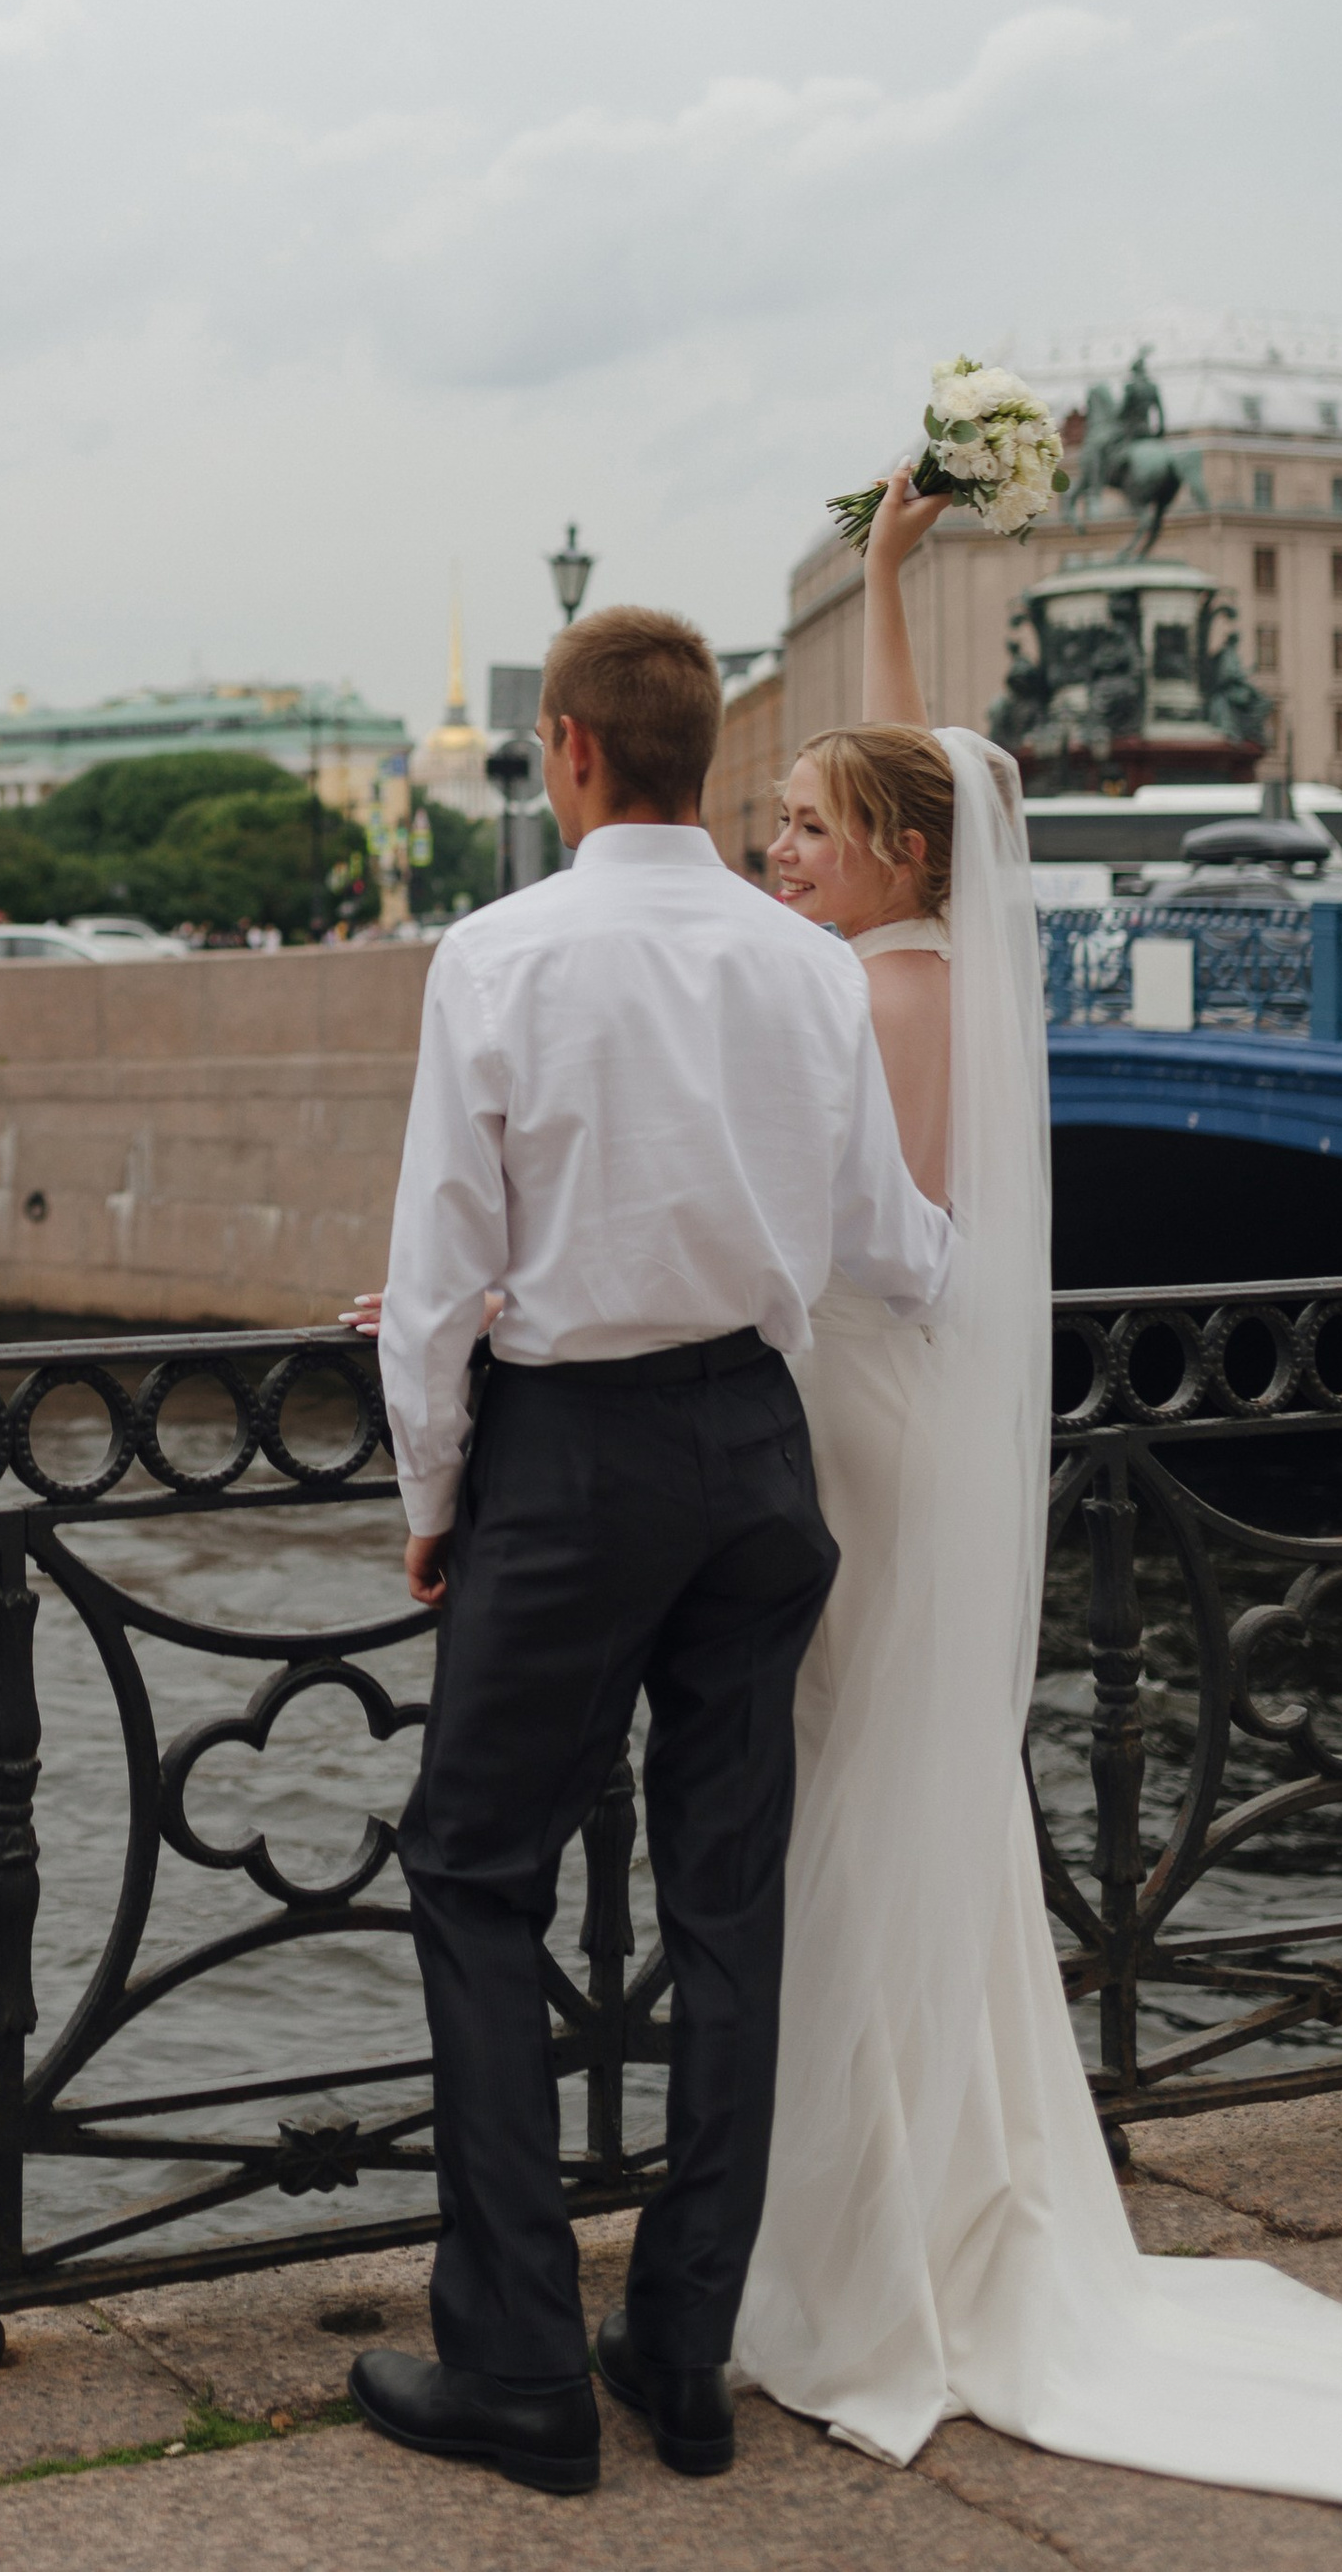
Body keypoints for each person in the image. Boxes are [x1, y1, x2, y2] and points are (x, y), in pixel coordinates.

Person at [740, 468, 1342, 2509]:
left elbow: (828, 1219)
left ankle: (859, 2249)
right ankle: (921, 2193)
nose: (775, 847)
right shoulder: (957, 951)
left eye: (801, 831)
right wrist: (881, 578)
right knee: (904, 1794)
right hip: (911, 1409)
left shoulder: (863, 991)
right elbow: (922, 770)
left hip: (849, 1405)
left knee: (844, 1800)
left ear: (890, 858)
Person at [351, 605, 953, 2499]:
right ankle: (682, 2352)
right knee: (728, 1899)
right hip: (759, 1458)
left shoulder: (501, 952)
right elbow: (893, 1243)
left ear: (573, 751)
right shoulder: (805, 965)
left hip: (576, 1463)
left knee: (470, 1870)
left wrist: (432, 1501)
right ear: (701, 761)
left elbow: (442, 1269)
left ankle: (521, 2360)